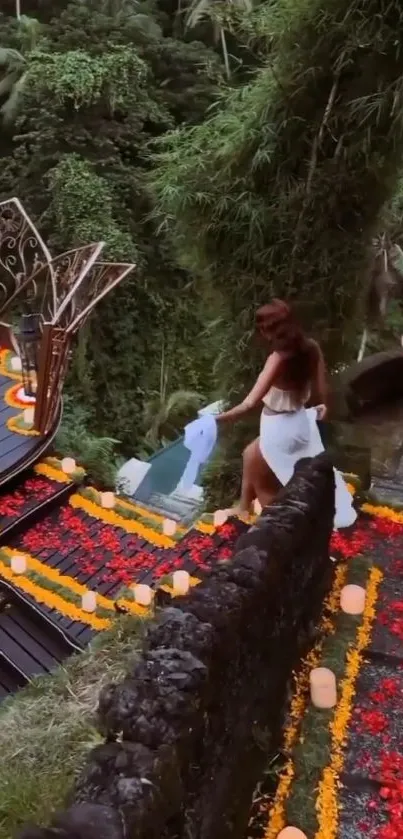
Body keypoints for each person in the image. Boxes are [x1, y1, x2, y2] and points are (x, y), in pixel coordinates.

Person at [215, 299, 356, 529]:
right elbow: (322, 388)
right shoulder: (312, 347)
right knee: (250, 453)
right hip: (300, 422)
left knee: (266, 487)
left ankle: (273, 532)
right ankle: (242, 507)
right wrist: (324, 408)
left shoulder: (278, 359)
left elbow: (249, 403)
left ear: (268, 330)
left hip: (278, 430)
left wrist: (215, 420)